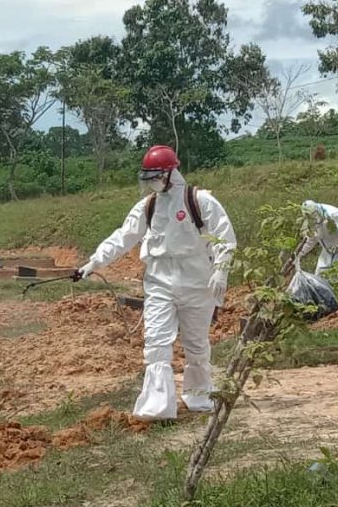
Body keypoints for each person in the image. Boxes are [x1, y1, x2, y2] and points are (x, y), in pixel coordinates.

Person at [75, 145, 236, 420]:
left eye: (155, 177)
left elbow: (225, 238)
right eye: (147, 178)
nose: (151, 183)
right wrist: (95, 261)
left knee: (196, 343)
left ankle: (199, 395)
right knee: (156, 343)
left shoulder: (200, 201)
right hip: (159, 282)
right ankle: (157, 406)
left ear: (171, 172)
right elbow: (124, 236)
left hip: (197, 282)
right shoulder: (149, 206)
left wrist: (220, 271)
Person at [299, 200, 338, 303]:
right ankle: (325, 305)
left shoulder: (335, 215)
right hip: (327, 251)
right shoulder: (310, 221)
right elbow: (311, 239)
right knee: (319, 277)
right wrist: (300, 254)